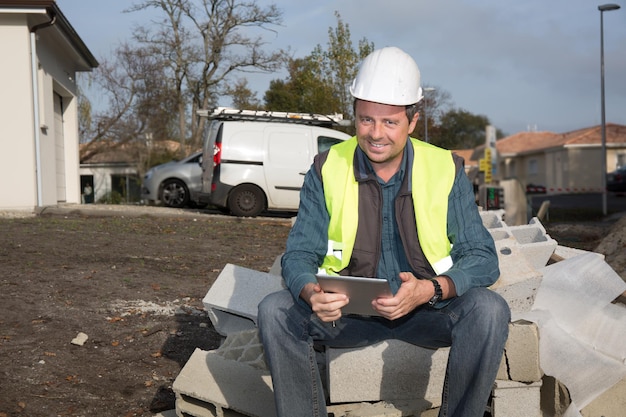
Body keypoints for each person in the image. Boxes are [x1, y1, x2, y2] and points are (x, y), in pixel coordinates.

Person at [257, 46, 510, 417]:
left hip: (428, 311)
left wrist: (430, 289)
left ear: (412, 120)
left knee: (489, 310)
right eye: (365, 120)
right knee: (274, 310)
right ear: (355, 116)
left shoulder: (445, 168)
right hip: (347, 316)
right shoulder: (327, 167)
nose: (376, 134)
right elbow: (298, 254)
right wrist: (312, 292)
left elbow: (482, 257)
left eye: (389, 122)